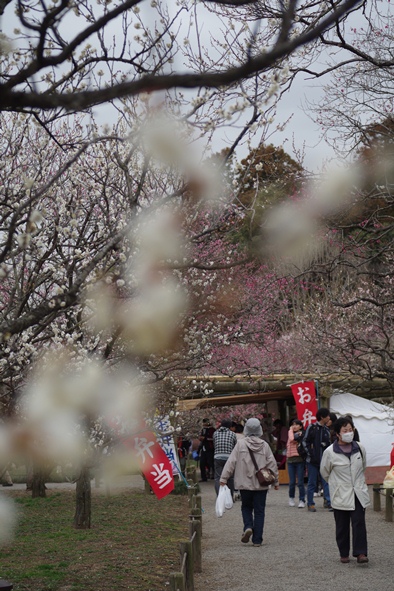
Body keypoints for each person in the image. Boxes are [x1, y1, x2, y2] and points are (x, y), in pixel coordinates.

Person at [219, 418, 279, 547]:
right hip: (261, 484)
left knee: (246, 507)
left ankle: (248, 526)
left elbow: (231, 462)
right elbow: (272, 464)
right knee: (259, 511)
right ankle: (257, 540)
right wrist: (276, 482)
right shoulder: (264, 445)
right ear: (259, 430)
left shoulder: (240, 444)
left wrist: (224, 478)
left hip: (244, 484)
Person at [320, 417, 370, 564]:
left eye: (350, 430)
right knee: (342, 525)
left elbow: (363, 467)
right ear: (338, 434)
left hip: (358, 492)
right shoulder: (330, 452)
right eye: (345, 430)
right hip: (340, 492)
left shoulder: (360, 448)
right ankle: (343, 552)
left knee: (359, 522)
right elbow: (325, 472)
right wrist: (337, 484)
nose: (349, 433)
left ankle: (361, 553)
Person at [304, 407, 332, 512]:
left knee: (326, 481)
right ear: (322, 417)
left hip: (323, 460)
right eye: (327, 415)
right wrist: (310, 454)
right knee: (311, 482)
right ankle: (310, 503)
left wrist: (324, 445)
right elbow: (305, 441)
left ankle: (328, 501)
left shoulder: (326, 430)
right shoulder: (311, 427)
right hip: (312, 461)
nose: (329, 418)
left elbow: (329, 445)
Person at [213, 419, 237, 496]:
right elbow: (235, 446)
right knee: (230, 477)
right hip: (229, 458)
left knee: (218, 477)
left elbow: (214, 444)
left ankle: (219, 496)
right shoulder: (232, 434)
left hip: (217, 457)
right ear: (230, 426)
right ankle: (230, 496)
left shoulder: (215, 433)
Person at [286, 419, 305, 508]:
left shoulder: (300, 434)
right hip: (290, 461)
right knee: (292, 481)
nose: (294, 426)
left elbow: (292, 439)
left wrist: (290, 430)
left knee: (300, 482)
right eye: (293, 424)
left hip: (299, 460)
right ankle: (291, 497)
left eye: (296, 424)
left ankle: (302, 499)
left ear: (300, 426)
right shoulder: (291, 433)